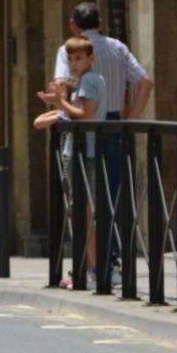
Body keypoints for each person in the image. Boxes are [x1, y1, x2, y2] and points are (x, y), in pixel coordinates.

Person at [52, 2, 153, 270]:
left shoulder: (70, 50)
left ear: (74, 25)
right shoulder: (118, 48)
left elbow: (62, 85)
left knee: (84, 199)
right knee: (111, 194)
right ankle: (111, 259)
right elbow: (146, 82)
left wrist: (61, 107)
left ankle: (92, 264)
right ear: (100, 23)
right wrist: (129, 120)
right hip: (113, 124)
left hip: (82, 126)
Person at [39, 36, 107, 287]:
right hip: (82, 151)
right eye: (70, 59)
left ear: (91, 58)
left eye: (79, 58)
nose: (74, 63)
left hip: (83, 152)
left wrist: (59, 103)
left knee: (83, 212)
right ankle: (90, 269)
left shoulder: (89, 80)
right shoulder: (87, 80)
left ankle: (95, 270)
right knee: (79, 211)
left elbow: (84, 115)